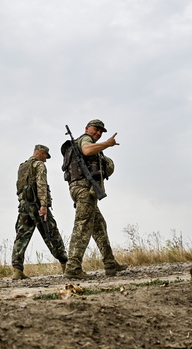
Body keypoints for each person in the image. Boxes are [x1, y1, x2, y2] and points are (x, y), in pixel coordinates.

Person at [62, 119, 127, 279]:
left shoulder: (78, 142)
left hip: (79, 188)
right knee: (82, 226)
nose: (97, 133)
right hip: (84, 189)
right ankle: (73, 268)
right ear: (87, 128)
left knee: (99, 226)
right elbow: (87, 150)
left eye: (100, 132)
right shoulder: (86, 139)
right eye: (95, 130)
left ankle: (111, 264)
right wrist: (107, 143)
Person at [12, 144, 68, 280]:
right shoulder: (39, 165)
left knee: (21, 236)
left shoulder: (22, 166)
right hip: (37, 206)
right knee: (51, 233)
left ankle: (17, 271)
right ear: (41, 153)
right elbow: (41, 184)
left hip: (24, 205)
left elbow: (19, 186)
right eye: (46, 156)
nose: (46, 160)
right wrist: (43, 205)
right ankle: (66, 266)